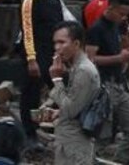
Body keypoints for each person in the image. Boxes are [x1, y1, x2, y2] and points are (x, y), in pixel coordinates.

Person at [18, 0, 71, 150]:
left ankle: (68, 132)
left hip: (54, 55)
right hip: (36, 55)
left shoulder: (54, 0)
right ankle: (29, 134)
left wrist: (64, 54)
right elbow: (27, 31)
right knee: (31, 96)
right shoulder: (28, 2)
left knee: (63, 92)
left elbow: (62, 27)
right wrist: (31, 60)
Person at [85, 0, 129, 163]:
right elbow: (90, 59)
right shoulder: (97, 29)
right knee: (103, 134)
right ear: (110, 8)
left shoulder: (117, 26)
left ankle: (119, 161)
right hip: (103, 87)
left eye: (126, 14)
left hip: (118, 84)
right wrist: (118, 58)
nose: (124, 17)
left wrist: (128, 55)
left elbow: (123, 46)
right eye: (121, 13)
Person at [49, 21, 101, 165]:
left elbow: (71, 109)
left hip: (75, 144)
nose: (57, 48)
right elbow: (79, 103)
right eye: (55, 43)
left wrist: (57, 79)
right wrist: (59, 112)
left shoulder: (84, 70)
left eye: (62, 42)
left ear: (76, 44)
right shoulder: (76, 67)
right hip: (69, 141)